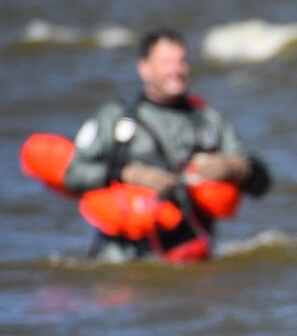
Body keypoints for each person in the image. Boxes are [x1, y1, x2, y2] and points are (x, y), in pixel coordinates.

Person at [63, 28, 272, 261]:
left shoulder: (208, 120)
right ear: (144, 69)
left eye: (182, 62)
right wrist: (129, 174)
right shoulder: (116, 117)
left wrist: (234, 169)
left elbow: (262, 183)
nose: (176, 70)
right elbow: (73, 175)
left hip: (191, 262)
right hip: (124, 262)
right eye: (166, 62)